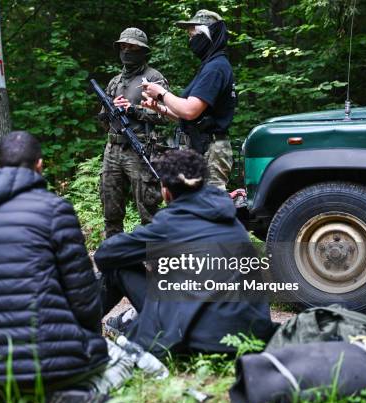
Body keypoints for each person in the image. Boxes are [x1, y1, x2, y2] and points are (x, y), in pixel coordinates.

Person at [0, 131, 138, 402]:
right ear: (40, 165)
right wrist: (89, 342)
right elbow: (83, 297)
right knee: (121, 360)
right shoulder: (54, 209)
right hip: (46, 363)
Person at [95, 149, 275, 356]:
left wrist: (145, 242)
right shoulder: (231, 219)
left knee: (117, 264)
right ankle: (127, 321)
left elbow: (104, 254)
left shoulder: (172, 222)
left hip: (197, 341)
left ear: (166, 191)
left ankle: (81, 328)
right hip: (248, 337)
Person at [141, 10, 236, 190]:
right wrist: (160, 108)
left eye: (192, 34)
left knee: (208, 208)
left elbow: (190, 110)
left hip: (210, 151)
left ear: (207, 35)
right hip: (202, 145)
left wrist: (161, 93)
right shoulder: (211, 65)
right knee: (195, 205)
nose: (190, 40)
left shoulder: (215, 68)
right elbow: (192, 117)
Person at [99, 27, 170, 238]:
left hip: (141, 149)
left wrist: (132, 109)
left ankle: (156, 264)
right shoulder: (115, 81)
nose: (127, 51)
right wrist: (111, 108)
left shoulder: (153, 78)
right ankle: (114, 263)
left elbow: (165, 115)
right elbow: (103, 119)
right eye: (123, 46)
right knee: (111, 210)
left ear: (142, 51)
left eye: (132, 47)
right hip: (112, 150)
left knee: (149, 210)